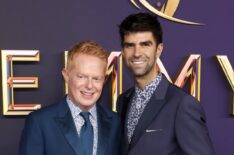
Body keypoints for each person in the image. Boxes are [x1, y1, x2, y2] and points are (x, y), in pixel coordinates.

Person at [117, 13, 214, 155]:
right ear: (123, 52)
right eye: (130, 45)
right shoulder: (123, 100)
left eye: (145, 44)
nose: (137, 53)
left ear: (159, 49)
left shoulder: (182, 105)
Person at [20, 41, 121, 155]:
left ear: (105, 80)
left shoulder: (115, 122)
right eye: (81, 76)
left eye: (96, 78)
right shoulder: (40, 122)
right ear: (66, 75)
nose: (89, 85)